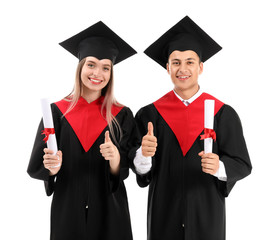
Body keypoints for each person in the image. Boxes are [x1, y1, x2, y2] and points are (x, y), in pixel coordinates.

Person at [132, 16, 252, 240]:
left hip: (207, 215)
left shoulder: (223, 114)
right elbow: (140, 172)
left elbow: (243, 164)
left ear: (201, 67)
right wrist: (143, 156)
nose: (182, 68)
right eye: (176, 62)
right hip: (163, 215)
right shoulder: (149, 115)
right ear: (167, 67)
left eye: (190, 62)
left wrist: (220, 167)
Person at [27, 21, 138, 240]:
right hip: (68, 211)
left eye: (106, 67)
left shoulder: (122, 115)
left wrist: (115, 159)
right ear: (80, 67)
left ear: (111, 73)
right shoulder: (56, 114)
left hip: (111, 212)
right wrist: (52, 168)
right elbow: (37, 166)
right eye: (91, 64)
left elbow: (128, 168)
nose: (98, 73)